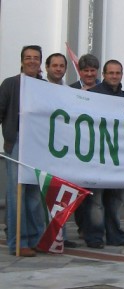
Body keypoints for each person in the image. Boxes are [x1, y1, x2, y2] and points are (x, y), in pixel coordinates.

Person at [84, 59, 124, 248]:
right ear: (104, 74)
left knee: (116, 199)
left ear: (121, 75)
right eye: (111, 73)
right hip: (98, 155)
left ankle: (115, 235)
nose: (114, 76)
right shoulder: (93, 94)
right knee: (96, 199)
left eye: (117, 73)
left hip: (118, 156)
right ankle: (95, 237)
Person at [0, 45, 45, 257]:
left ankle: (37, 239)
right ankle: (18, 241)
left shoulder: (45, 87)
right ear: (22, 61)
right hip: (17, 142)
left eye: (36, 58)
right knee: (17, 195)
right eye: (28, 57)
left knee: (35, 195)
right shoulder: (10, 84)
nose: (32, 61)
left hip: (39, 145)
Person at [45, 52, 78, 248]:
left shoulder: (69, 92)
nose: (58, 69)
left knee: (62, 194)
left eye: (61, 66)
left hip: (63, 149)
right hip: (43, 147)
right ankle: (44, 234)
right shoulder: (38, 88)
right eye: (54, 65)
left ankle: (60, 234)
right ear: (47, 67)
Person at [69, 54, 100, 239]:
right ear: (80, 71)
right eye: (86, 70)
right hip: (77, 148)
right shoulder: (70, 90)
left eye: (92, 70)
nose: (89, 74)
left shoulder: (104, 90)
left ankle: (94, 227)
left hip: (98, 149)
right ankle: (82, 226)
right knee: (79, 191)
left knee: (95, 193)